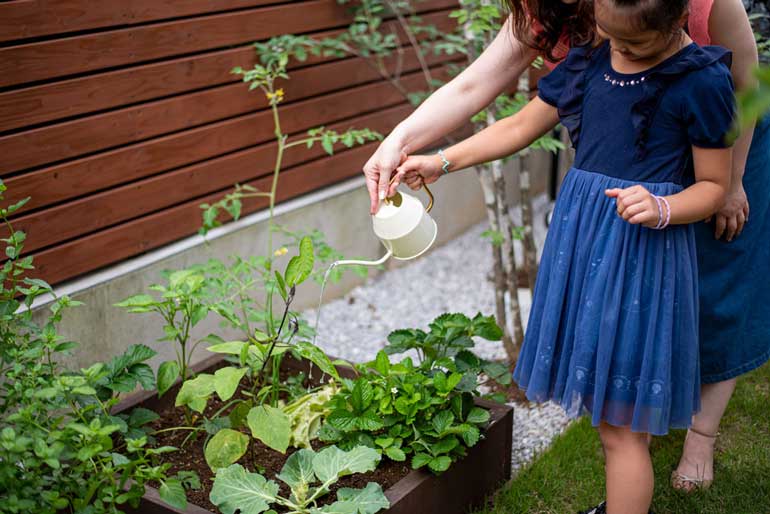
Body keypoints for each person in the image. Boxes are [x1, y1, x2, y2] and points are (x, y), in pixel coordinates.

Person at [363, 0, 765, 493]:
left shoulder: (701, 81)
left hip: (643, 256)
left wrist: (665, 208)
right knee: (610, 411)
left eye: (633, 43)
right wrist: (441, 161)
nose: (617, 49)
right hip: (591, 246)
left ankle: (672, 450)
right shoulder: (594, 59)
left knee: (621, 424)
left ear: (679, 18)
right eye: (609, 36)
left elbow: (712, 185)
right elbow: (518, 125)